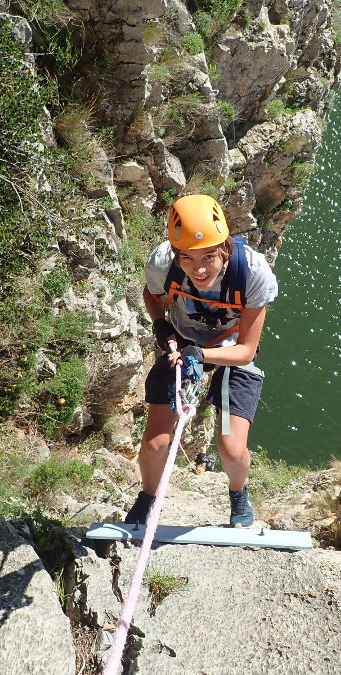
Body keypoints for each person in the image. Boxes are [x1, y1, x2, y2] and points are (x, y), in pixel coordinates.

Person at [125, 194, 278, 528]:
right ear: (177, 255)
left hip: (231, 350)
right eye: (188, 259)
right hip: (182, 344)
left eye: (210, 256)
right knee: (155, 444)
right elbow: (152, 296)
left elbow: (247, 350)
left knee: (232, 449)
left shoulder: (252, 272)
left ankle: (238, 493)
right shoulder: (162, 264)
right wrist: (160, 324)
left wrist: (203, 354)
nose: (200, 269)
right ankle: (148, 496)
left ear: (224, 248)